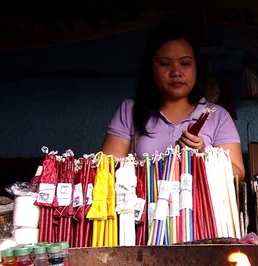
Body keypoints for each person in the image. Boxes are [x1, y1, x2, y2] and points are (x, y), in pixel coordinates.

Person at [100, 18, 246, 181]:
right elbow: (107, 170)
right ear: (151, 68)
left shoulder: (218, 115)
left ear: (196, 67)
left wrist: (205, 155)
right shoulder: (130, 110)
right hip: (143, 205)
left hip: (198, 207)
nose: (176, 72)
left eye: (185, 63)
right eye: (164, 63)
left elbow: (238, 174)